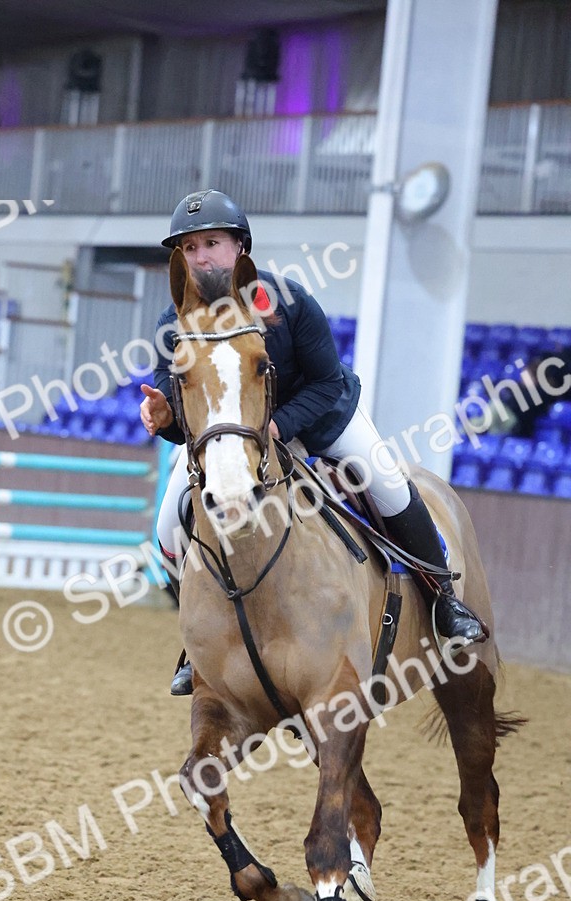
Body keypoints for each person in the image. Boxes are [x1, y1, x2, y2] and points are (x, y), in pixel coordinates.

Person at [140, 190, 486, 696]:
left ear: (240, 247)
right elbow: (182, 410)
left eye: (211, 243)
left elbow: (326, 383)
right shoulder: (173, 325)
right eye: (189, 248)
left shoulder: (290, 301)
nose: (201, 257)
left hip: (321, 418)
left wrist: (277, 426)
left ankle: (444, 600)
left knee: (390, 485)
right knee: (168, 525)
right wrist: (165, 417)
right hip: (236, 439)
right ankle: (200, 642)